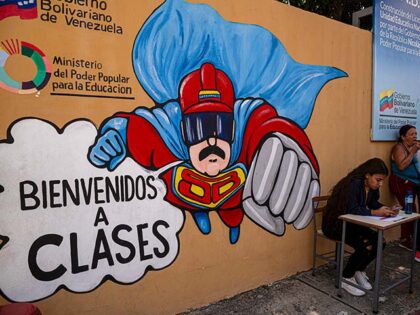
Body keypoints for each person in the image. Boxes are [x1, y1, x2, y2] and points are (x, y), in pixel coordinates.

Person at [322, 158, 397, 296]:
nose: (380, 184)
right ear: (367, 175)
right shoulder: (353, 184)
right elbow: (353, 209)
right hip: (335, 225)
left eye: (381, 181)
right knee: (364, 247)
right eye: (378, 179)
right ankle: (345, 278)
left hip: (353, 224)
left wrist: (385, 209)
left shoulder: (372, 187)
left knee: (380, 241)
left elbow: (373, 203)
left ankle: (358, 270)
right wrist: (376, 212)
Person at [389, 124, 420, 261]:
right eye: (411, 134)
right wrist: (413, 152)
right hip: (401, 182)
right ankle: (405, 239)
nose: (415, 136)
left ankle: (410, 237)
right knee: (409, 210)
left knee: (412, 210)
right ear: (403, 137)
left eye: (415, 133)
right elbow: (401, 166)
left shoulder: (412, 147)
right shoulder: (398, 148)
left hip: (413, 182)